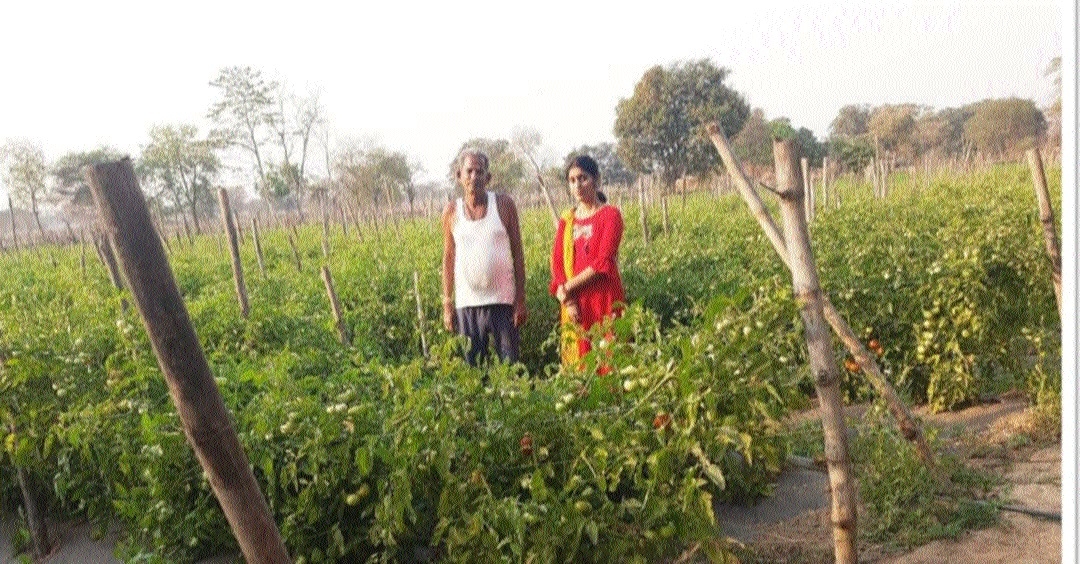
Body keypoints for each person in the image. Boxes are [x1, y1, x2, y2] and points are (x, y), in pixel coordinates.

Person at [442, 148, 527, 366]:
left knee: (510, 367)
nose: (474, 177)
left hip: (502, 301)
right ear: (459, 176)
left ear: (488, 177)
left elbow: (518, 252)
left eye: (479, 172)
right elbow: (448, 258)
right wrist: (447, 303)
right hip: (467, 303)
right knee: (474, 369)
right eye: (468, 171)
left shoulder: (504, 205)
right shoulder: (452, 212)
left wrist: (520, 299)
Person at [549, 155, 625, 366]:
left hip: (604, 300)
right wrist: (568, 300)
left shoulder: (611, 216)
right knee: (580, 367)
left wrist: (567, 288)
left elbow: (603, 261)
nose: (577, 185)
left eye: (583, 178)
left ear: (597, 179)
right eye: (572, 180)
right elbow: (556, 263)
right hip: (576, 305)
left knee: (609, 360)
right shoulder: (567, 220)